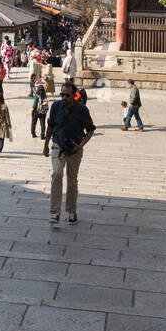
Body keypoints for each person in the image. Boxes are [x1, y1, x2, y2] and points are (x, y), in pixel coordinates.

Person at [42, 80, 96, 226]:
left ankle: (71, 211)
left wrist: (80, 145)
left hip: (74, 149)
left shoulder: (82, 110)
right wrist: (46, 145)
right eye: (62, 95)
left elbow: (90, 130)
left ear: (74, 95)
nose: (64, 98)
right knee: (57, 174)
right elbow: (50, 126)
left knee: (72, 179)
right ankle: (55, 212)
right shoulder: (56, 106)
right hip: (58, 146)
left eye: (67, 95)